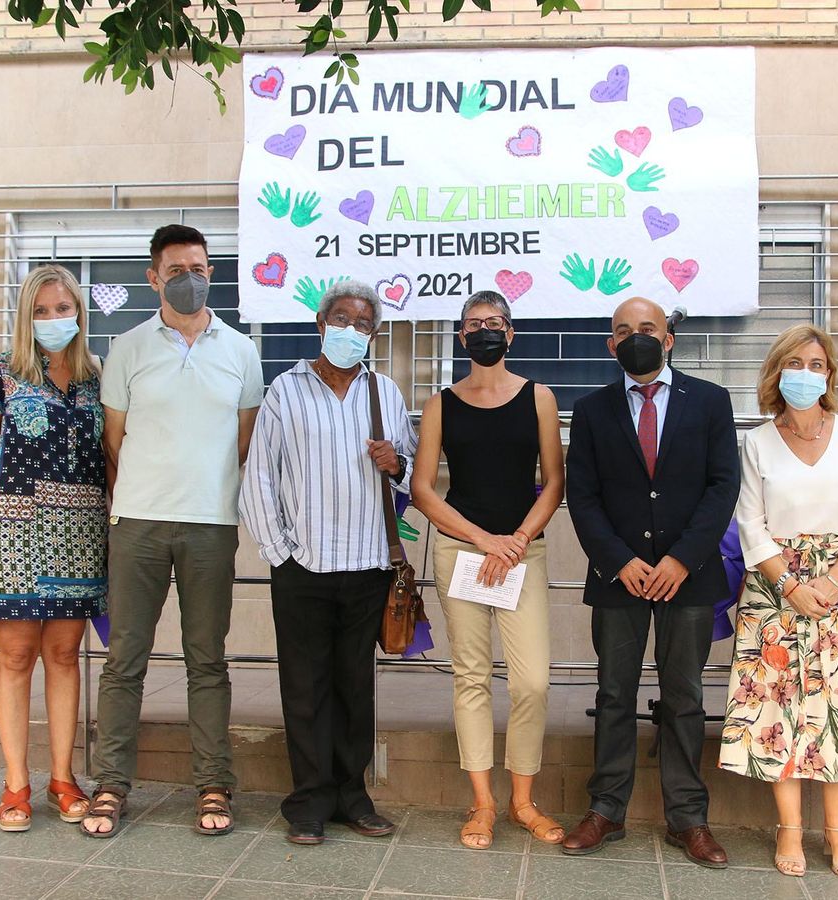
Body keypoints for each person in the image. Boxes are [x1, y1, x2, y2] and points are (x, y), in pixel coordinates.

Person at [81, 225, 265, 838]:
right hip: (137, 522)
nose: (192, 278)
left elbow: (243, 440)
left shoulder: (240, 350)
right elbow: (115, 440)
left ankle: (214, 785)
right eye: (178, 269)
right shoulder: (126, 347)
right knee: (124, 659)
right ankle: (110, 784)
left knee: (207, 659)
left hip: (211, 524)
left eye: (201, 267)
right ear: (153, 277)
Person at [561, 296, 740, 868]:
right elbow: (581, 496)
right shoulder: (590, 410)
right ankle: (605, 810)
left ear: (668, 339)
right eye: (623, 331)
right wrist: (619, 559)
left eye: (647, 328)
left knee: (684, 698)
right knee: (614, 694)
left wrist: (683, 559)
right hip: (620, 579)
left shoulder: (710, 401)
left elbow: (722, 487)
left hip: (687, 576)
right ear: (611, 345)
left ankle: (689, 818)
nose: (636, 337)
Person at [239, 280, 418, 846]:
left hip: (367, 563)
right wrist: (281, 551)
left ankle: (352, 797)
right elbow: (259, 476)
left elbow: (410, 470)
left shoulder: (383, 392)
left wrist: (397, 464)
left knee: (353, 685)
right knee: (305, 684)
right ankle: (308, 802)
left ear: (374, 334)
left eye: (364, 324)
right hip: (303, 566)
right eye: (342, 319)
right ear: (321, 323)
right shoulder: (284, 392)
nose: (352, 331)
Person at [719, 325, 838, 880]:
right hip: (775, 590)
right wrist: (791, 585)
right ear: (776, 373)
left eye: (817, 364)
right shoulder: (758, 442)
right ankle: (788, 827)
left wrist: (835, 581)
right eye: (794, 363)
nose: (806, 373)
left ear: (830, 375)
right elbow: (750, 521)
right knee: (778, 708)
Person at [410, 291, 566, 850]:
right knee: (471, 677)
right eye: (473, 325)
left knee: (531, 681)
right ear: (460, 337)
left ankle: (524, 800)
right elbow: (424, 489)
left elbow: (554, 481)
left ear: (511, 332)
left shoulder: (539, 398)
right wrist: (484, 541)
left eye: (494, 323)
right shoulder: (440, 405)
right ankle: (483, 803)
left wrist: (517, 540)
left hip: (524, 553)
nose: (484, 332)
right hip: (462, 554)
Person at [0, 265, 106, 831]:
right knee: (16, 656)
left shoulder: (100, 375)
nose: (53, 319)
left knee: (67, 657)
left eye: (63, 309)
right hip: (17, 534)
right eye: (42, 311)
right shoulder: (1, 372)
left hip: (82, 534)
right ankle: (16, 782)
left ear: (79, 313)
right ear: (26, 316)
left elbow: (112, 456)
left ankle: (63, 777)